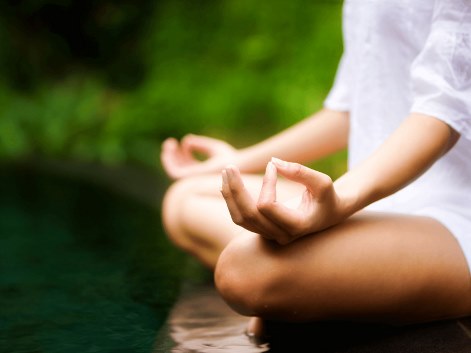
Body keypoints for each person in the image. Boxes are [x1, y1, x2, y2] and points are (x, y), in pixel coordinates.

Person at [160, 0, 471, 337]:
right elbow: (349, 110)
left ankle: (308, 285)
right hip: (376, 198)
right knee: (184, 198)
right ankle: (321, 284)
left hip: (455, 215)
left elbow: (441, 115)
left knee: (244, 271)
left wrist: (341, 200)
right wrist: (236, 162)